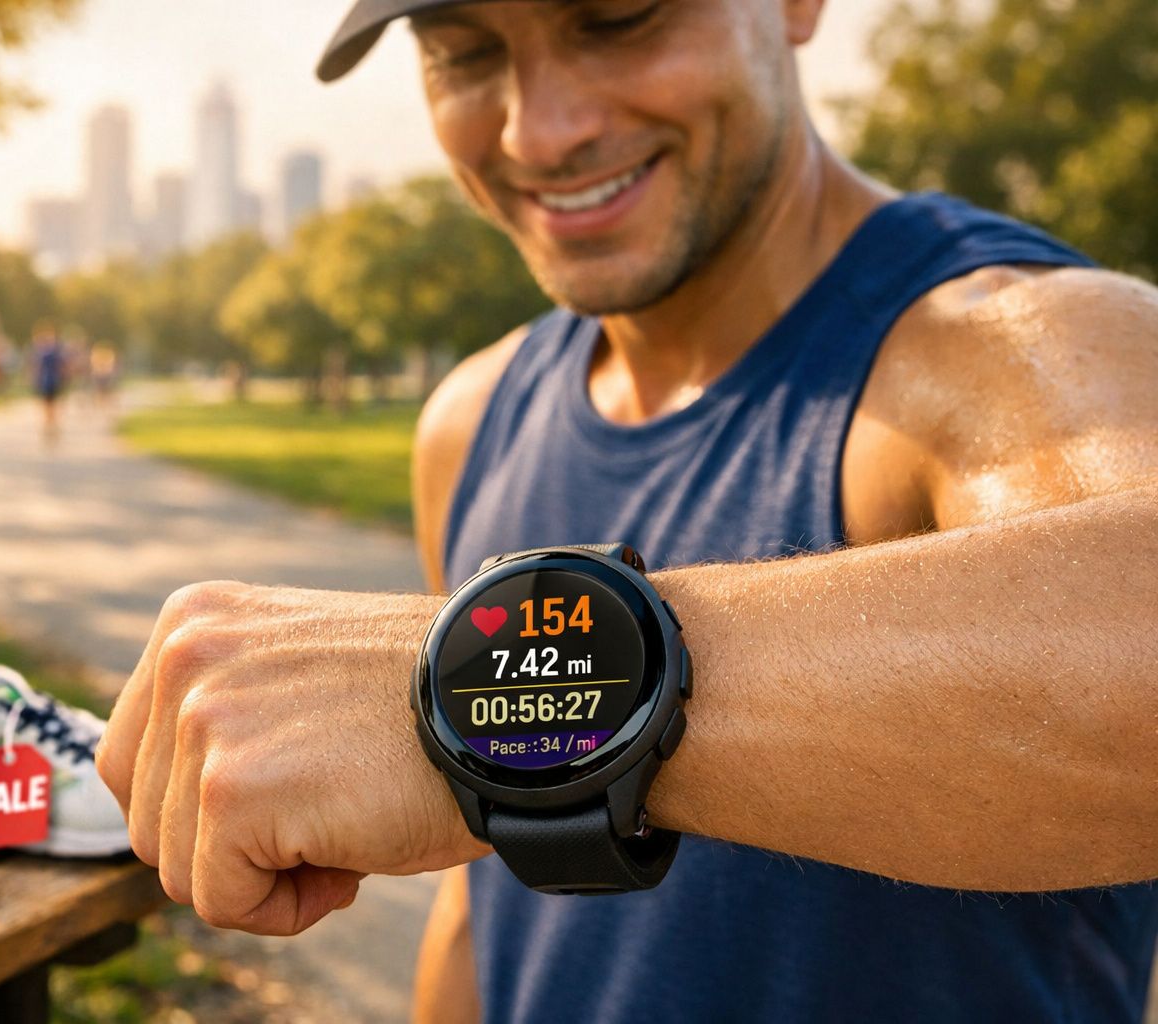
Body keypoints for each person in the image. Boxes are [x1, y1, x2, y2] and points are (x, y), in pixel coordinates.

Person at [95, 2, 1158, 1022]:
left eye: (617, 18)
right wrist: (480, 726)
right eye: (464, 54)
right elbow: (480, 908)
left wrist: (483, 692)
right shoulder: (469, 419)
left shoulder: (1033, 351)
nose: (538, 130)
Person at [28, 319, 69, 444]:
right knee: (49, 404)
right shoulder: (52, 349)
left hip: (50, 380)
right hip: (48, 380)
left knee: (49, 404)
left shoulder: (46, 350)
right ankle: (50, 424)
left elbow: (37, 366)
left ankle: (50, 424)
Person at [89, 342, 119, 414]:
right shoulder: (98, 356)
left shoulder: (107, 355)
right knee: (100, 390)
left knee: (105, 390)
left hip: (104, 374)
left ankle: (104, 404)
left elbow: (111, 365)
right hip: (99, 374)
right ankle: (101, 404)